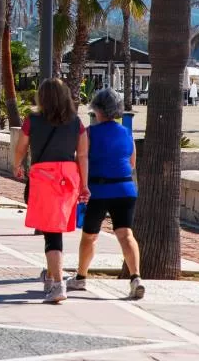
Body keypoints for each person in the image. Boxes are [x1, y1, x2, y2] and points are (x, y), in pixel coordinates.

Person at [13, 78, 89, 305]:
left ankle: (56, 283)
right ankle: (49, 276)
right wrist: (84, 185)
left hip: (43, 179)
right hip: (67, 180)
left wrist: (17, 165)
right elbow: (83, 155)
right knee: (54, 230)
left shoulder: (32, 120)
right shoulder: (77, 123)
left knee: (51, 234)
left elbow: (21, 146)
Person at [69, 88, 145, 300]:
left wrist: (82, 186)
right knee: (126, 234)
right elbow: (131, 164)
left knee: (90, 236)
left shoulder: (90, 133)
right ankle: (136, 278)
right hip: (125, 189)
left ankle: (81, 277)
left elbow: (81, 159)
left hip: (99, 190)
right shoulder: (126, 133)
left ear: (97, 110)